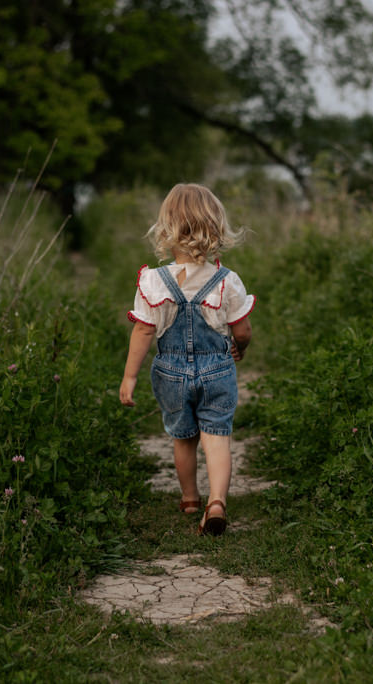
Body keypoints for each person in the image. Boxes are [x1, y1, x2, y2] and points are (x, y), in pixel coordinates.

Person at [119, 183, 255, 536]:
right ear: (216, 229)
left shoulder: (154, 282)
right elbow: (242, 329)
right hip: (217, 369)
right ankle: (217, 502)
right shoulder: (227, 282)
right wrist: (241, 347)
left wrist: (130, 377)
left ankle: (191, 497)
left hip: (170, 371)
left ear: (167, 229)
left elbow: (144, 333)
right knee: (217, 435)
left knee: (183, 437)